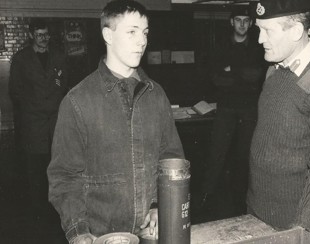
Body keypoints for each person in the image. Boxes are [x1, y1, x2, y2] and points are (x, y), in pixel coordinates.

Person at [47, 1, 184, 243]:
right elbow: (65, 177)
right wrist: (78, 231)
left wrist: (158, 205)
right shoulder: (77, 101)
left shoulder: (156, 94)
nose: (142, 41)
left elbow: (170, 156)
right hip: (101, 235)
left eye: (145, 33)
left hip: (150, 235)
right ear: (108, 35)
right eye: (131, 32)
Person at [247, 0, 310, 235]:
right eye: (259, 29)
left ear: (296, 31)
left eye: (267, 30)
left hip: (290, 223)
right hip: (255, 212)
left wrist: (303, 229)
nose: (260, 39)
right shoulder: (274, 69)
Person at [200, 8, 265, 216]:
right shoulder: (220, 47)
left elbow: (256, 77)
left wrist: (231, 71)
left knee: (244, 156)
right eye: (238, 20)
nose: (242, 24)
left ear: (251, 22)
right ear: (231, 22)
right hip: (226, 108)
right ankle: (205, 198)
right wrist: (241, 73)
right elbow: (216, 79)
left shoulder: (257, 47)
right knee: (216, 153)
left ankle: (241, 201)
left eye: (246, 20)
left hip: (249, 109)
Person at [8, 18, 69, 222]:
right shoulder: (21, 59)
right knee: (35, 168)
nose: (44, 39)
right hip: (33, 123)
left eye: (47, 35)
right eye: (40, 35)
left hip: (55, 121)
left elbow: (65, 83)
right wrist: (34, 108)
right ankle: (37, 211)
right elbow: (15, 92)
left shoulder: (59, 56)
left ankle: (56, 207)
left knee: (56, 165)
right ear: (31, 35)